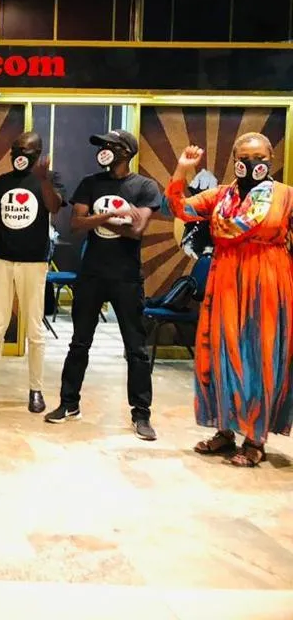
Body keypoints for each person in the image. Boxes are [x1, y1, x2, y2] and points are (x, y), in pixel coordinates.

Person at [168, 137, 293, 466]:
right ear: (235, 159)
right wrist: (182, 170)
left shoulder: (286, 196)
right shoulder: (220, 196)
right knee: (220, 353)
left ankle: (255, 438)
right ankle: (224, 431)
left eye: (259, 156)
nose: (252, 162)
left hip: (268, 284)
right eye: (245, 156)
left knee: (259, 357)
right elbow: (180, 207)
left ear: (271, 157)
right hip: (225, 280)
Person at [45, 129, 161, 440]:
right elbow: (75, 224)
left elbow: (137, 230)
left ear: (127, 152)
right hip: (92, 275)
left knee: (136, 349)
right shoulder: (90, 183)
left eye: (111, 145)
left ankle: (141, 414)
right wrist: (116, 215)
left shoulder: (145, 186)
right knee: (79, 343)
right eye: (102, 145)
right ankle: (68, 403)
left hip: (126, 277)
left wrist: (98, 217)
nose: (104, 150)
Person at [0, 132, 65, 413]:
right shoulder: (2, 182)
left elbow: (54, 207)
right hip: (2, 260)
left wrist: (43, 178)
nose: (19, 155)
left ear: (38, 153)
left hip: (34, 263)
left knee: (34, 328)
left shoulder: (49, 179)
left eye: (26, 150)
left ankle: (36, 390)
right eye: (15, 149)